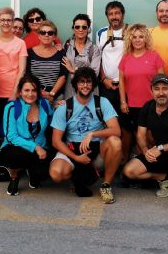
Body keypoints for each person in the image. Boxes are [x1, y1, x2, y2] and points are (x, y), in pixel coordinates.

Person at [122, 74, 168, 212]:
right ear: (151, 91)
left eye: (165, 88)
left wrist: (160, 148)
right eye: (157, 89)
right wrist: (145, 151)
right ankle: (166, 179)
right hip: (159, 153)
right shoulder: (147, 107)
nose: (161, 92)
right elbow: (140, 134)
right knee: (129, 171)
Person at [49, 67, 122, 204]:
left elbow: (116, 130)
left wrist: (93, 133)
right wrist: (76, 157)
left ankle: (106, 185)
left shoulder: (102, 102)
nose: (85, 85)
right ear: (76, 84)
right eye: (81, 82)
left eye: (88, 82)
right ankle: (77, 178)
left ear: (93, 84)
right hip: (73, 149)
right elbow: (56, 141)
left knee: (115, 142)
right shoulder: (65, 106)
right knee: (56, 173)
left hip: (96, 149)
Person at [0, 74, 53, 196]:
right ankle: (14, 177)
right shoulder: (12, 107)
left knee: (45, 173)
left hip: (41, 147)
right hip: (17, 147)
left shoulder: (44, 104)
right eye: (26, 90)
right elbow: (11, 137)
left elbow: (53, 116)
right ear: (20, 92)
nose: (30, 94)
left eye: (34, 90)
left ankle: (33, 172)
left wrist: (59, 105)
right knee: (13, 156)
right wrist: (35, 147)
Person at [118, 23, 165, 162]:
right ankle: (129, 166)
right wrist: (123, 102)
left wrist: (160, 105)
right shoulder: (125, 58)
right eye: (134, 37)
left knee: (149, 139)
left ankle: (151, 168)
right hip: (131, 106)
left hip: (151, 106)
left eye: (141, 37)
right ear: (130, 40)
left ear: (146, 39)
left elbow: (162, 83)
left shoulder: (155, 56)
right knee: (132, 137)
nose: (137, 40)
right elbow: (121, 81)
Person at [96, 1, 131, 161]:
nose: (114, 16)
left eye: (117, 13)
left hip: (127, 87)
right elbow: (99, 59)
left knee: (126, 126)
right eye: (111, 14)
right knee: (108, 124)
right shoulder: (101, 33)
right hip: (107, 87)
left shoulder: (131, 31)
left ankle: (123, 161)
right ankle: (111, 160)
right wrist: (103, 79)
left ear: (122, 14)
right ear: (107, 16)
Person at [0, 7, 28, 138]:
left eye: (9, 20)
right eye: (3, 20)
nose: (6, 23)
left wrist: (14, 93)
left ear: (12, 22)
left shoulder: (20, 43)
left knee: (10, 130)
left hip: (13, 93)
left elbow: (22, 70)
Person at [26, 20, 67, 104]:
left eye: (50, 33)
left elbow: (63, 76)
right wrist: (40, 93)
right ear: (39, 35)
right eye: (43, 32)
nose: (46, 35)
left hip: (55, 97)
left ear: (55, 36)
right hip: (33, 95)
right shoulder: (29, 52)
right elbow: (27, 75)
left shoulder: (61, 52)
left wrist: (51, 94)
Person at [62, 14, 101, 100]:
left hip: (89, 92)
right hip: (70, 91)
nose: (80, 30)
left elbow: (94, 74)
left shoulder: (94, 49)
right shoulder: (66, 46)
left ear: (88, 29)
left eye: (84, 27)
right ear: (73, 28)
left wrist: (73, 70)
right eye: (77, 27)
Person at [150, 0, 168, 76]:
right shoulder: (148, 33)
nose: (164, 13)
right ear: (156, 13)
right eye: (161, 11)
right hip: (153, 81)